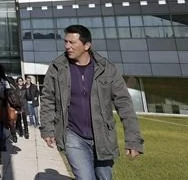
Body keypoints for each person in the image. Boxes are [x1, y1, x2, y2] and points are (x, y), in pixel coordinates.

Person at [40, 25, 144, 180]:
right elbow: (47, 99)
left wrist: (133, 140)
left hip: (102, 136)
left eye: (72, 42)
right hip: (73, 135)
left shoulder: (107, 69)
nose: (67, 46)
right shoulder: (57, 68)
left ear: (87, 45)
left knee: (104, 177)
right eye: (66, 42)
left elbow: (124, 104)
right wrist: (47, 129)